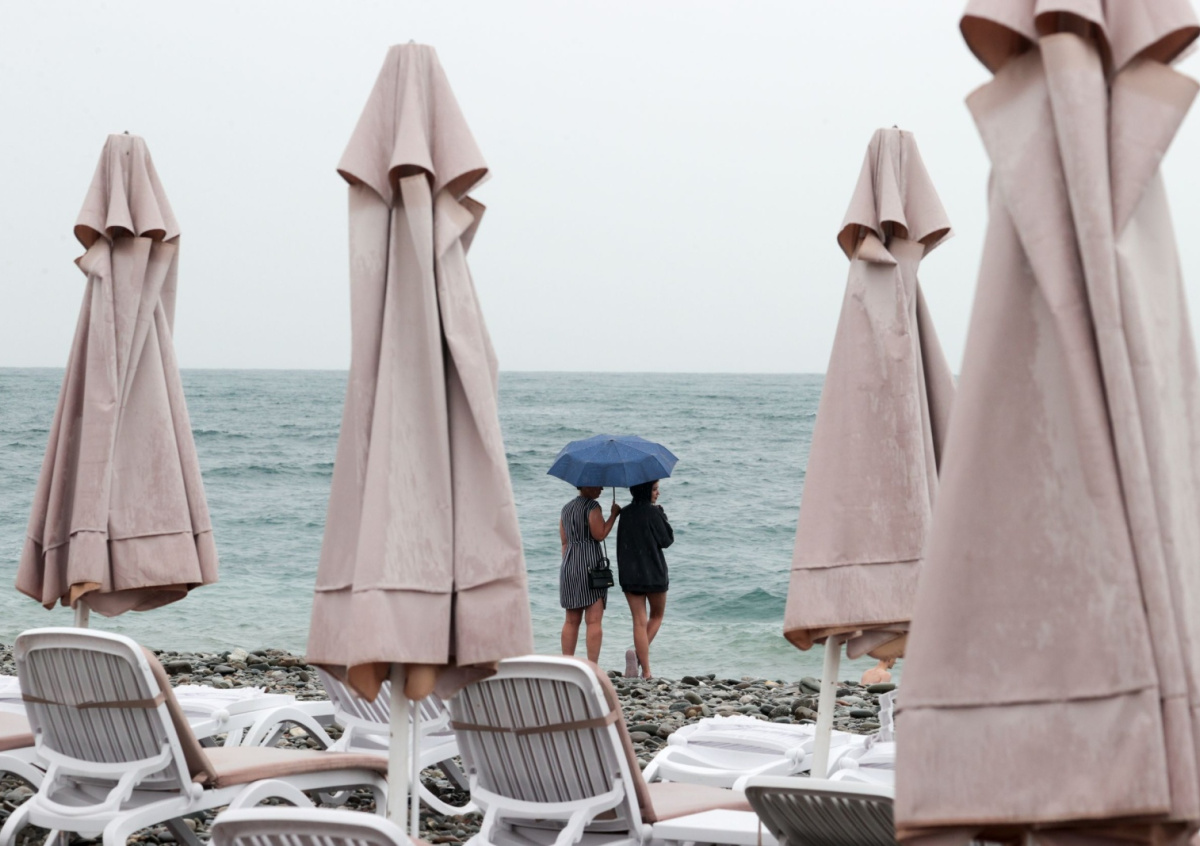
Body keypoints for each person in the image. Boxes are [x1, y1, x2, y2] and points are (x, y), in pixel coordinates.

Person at [616, 479, 673, 679]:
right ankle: (639, 661)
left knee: (639, 622)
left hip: (630, 574)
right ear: (645, 490)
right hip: (654, 572)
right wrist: (662, 514)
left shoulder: (624, 513)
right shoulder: (654, 512)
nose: (658, 493)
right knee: (656, 616)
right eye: (655, 489)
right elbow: (667, 540)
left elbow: (621, 543)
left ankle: (646, 670)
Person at [559, 486, 620, 662]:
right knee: (593, 620)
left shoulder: (566, 508)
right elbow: (599, 534)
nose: (601, 488)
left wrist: (571, 564)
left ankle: (567, 664)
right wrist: (614, 515)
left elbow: (564, 542)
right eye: (597, 484)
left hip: (569, 565)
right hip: (590, 565)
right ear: (586, 485)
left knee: (571, 620)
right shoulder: (592, 506)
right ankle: (592, 666)